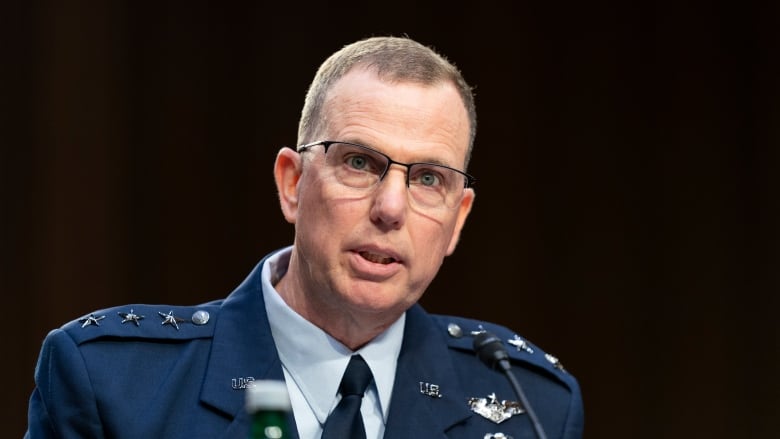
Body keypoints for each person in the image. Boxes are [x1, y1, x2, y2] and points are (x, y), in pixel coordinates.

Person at [25, 36, 584, 439]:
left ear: (457, 220)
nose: (391, 208)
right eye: (361, 162)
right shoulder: (112, 385)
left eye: (428, 179)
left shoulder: (531, 406)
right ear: (292, 185)